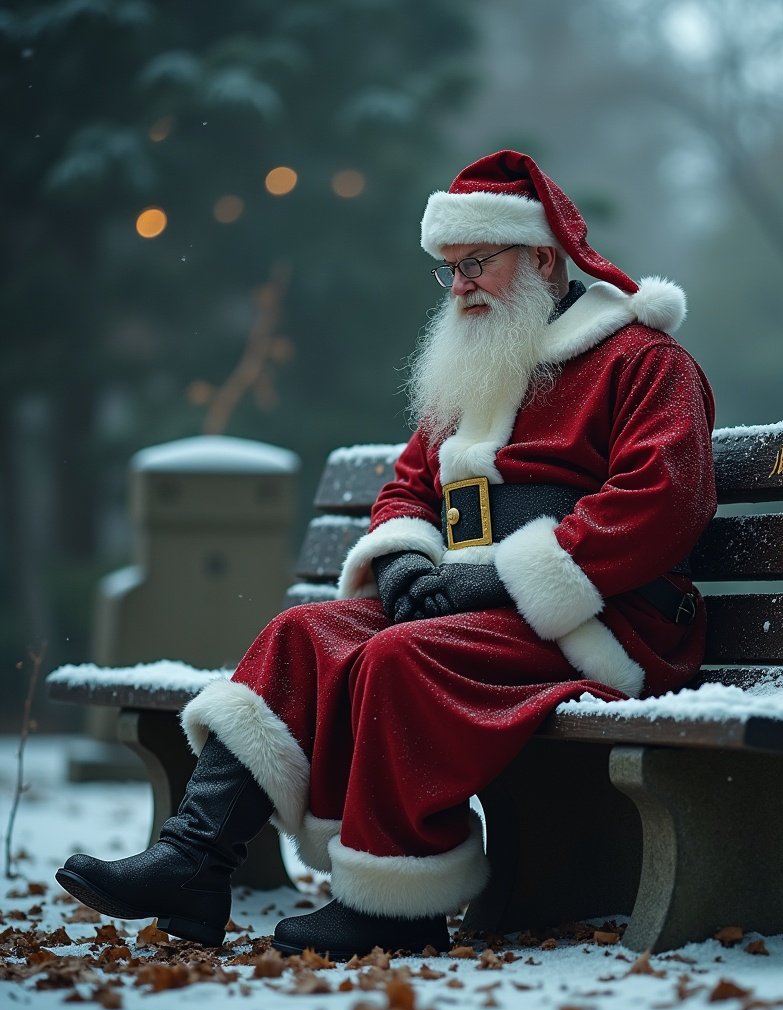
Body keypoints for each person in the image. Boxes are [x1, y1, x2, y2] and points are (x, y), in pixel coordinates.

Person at [56, 150, 717, 960]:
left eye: (478, 263)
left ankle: (393, 904)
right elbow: (408, 487)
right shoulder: (480, 363)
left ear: (543, 259)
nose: (462, 285)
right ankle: (193, 860)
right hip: (481, 614)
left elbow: (660, 504)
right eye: (450, 270)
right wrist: (405, 557)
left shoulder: (644, 361)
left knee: (401, 660)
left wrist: (500, 579)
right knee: (302, 635)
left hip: (605, 620)